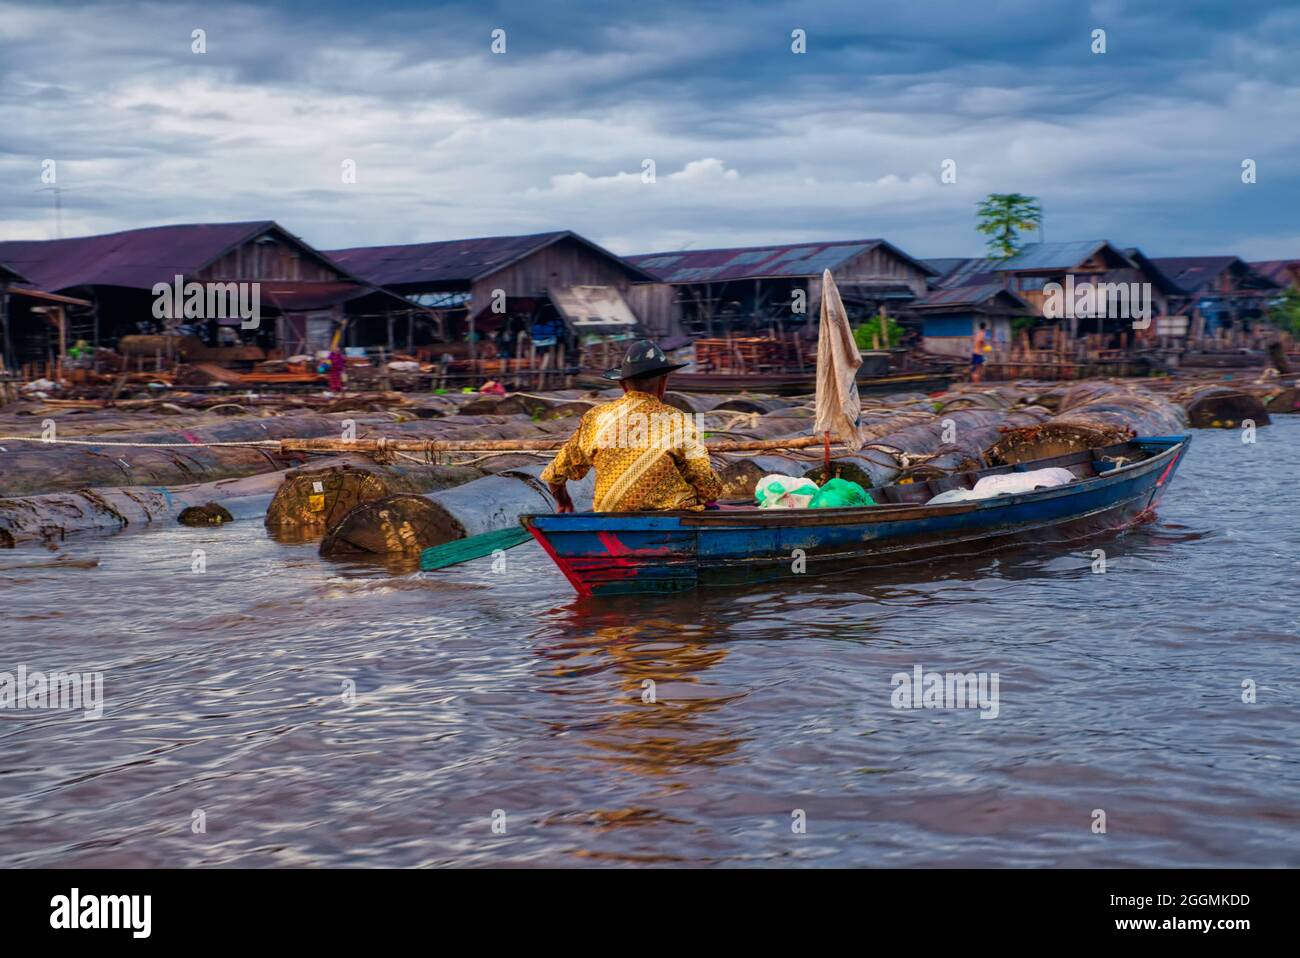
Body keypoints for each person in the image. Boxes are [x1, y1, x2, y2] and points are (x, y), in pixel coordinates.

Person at [541, 339, 723, 513]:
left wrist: (563, 502)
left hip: (609, 516)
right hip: (669, 517)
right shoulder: (679, 420)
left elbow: (554, 474)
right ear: (664, 382)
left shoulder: (596, 417)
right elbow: (705, 485)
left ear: (622, 385)